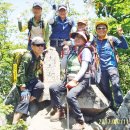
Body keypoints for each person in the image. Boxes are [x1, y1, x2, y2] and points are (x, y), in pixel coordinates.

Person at [49, 31, 92, 130]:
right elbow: (63, 66)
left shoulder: (86, 51)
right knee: (53, 88)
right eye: (76, 37)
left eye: (80, 37)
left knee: (70, 96)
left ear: (85, 40)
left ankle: (80, 121)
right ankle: (59, 111)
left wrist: (75, 80)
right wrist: (65, 54)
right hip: (68, 78)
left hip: (82, 80)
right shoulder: (72, 50)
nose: (77, 38)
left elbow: (84, 67)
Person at [94, 21, 129, 111]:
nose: (101, 30)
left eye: (103, 28)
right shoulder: (94, 41)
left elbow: (125, 46)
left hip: (112, 67)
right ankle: (111, 107)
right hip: (101, 69)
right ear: (96, 30)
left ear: (107, 30)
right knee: (105, 88)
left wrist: (121, 35)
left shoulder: (111, 39)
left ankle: (120, 106)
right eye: (99, 28)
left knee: (115, 84)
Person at [12, 37, 45, 124]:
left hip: (33, 81)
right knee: (24, 101)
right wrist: (22, 84)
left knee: (40, 86)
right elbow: (21, 71)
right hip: (25, 84)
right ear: (32, 46)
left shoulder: (38, 56)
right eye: (38, 45)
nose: (41, 47)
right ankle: (14, 123)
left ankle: (25, 108)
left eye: (42, 45)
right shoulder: (28, 56)